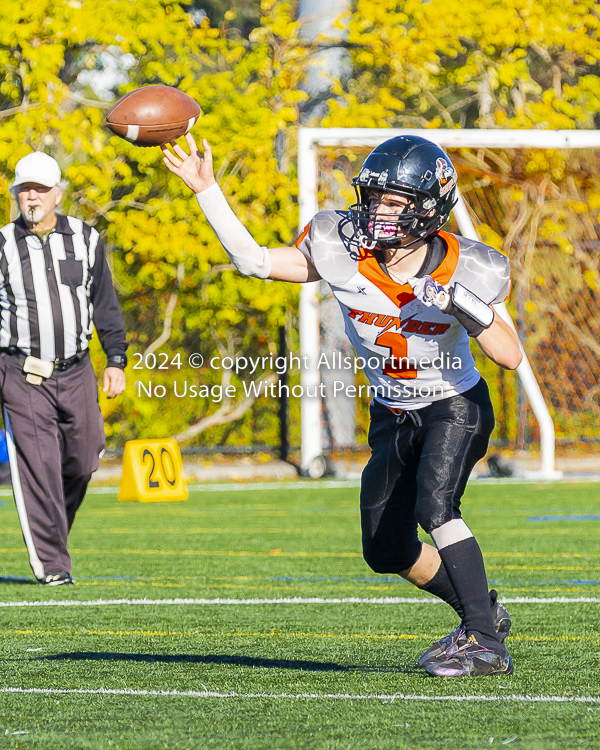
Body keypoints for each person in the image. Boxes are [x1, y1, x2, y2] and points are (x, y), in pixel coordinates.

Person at [162, 133, 522, 677]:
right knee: (385, 549)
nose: (378, 212)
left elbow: (510, 355)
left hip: (455, 405)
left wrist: (463, 306)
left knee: (435, 507)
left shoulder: (470, 268)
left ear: (429, 209)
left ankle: (485, 645)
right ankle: (481, 612)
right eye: (374, 198)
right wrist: (208, 191)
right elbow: (253, 261)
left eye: (395, 202)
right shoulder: (343, 249)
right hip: (392, 411)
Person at [0, 152, 128, 585]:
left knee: (83, 460)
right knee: (39, 468)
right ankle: (52, 566)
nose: (31, 196)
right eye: (24, 189)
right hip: (22, 373)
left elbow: (104, 303)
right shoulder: (2, 245)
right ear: (15, 194)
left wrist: (116, 360)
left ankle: (52, 534)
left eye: (40, 188)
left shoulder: (86, 239)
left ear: (58, 193)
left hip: (76, 370)